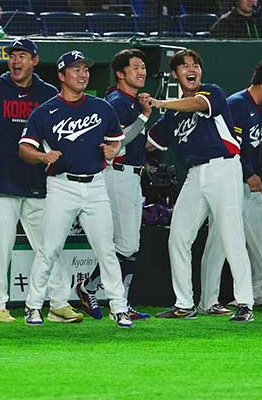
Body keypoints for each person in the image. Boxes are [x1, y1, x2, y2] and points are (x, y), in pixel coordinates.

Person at [0, 38, 78, 323]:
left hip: (38, 183)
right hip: (1, 183)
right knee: (0, 247)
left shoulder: (48, 94)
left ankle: (58, 302)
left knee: (49, 245)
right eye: (12, 56)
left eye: (22, 56)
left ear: (34, 61)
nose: (16, 61)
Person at [19, 50, 134, 328]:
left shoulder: (101, 107)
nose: (83, 74)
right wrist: (42, 157)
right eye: (76, 69)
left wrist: (112, 149)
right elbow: (24, 149)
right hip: (62, 186)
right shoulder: (45, 111)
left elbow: (116, 141)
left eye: (85, 69)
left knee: (106, 249)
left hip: (95, 185)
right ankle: (33, 306)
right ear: (61, 75)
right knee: (49, 249)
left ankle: (119, 308)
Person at [147, 48, 254, 322]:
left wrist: (159, 103)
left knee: (231, 235)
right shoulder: (170, 117)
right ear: (175, 74)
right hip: (195, 175)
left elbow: (195, 104)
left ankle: (245, 304)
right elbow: (150, 144)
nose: (191, 69)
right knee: (178, 236)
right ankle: (184, 303)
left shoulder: (212, 92)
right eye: (184, 66)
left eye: (195, 64)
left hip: (224, 167)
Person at [198, 59, 262, 314]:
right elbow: (232, 147)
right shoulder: (236, 105)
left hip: (251, 188)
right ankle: (208, 302)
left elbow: (259, 149)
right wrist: (250, 174)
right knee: (217, 245)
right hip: (228, 183)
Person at [75, 49, 153, 321]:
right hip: (117, 174)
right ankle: (91, 287)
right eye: (135, 67)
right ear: (120, 73)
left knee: (131, 245)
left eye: (143, 67)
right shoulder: (116, 101)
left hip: (133, 176)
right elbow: (117, 143)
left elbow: (139, 140)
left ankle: (119, 301)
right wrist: (144, 117)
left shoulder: (131, 101)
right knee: (126, 244)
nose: (141, 71)